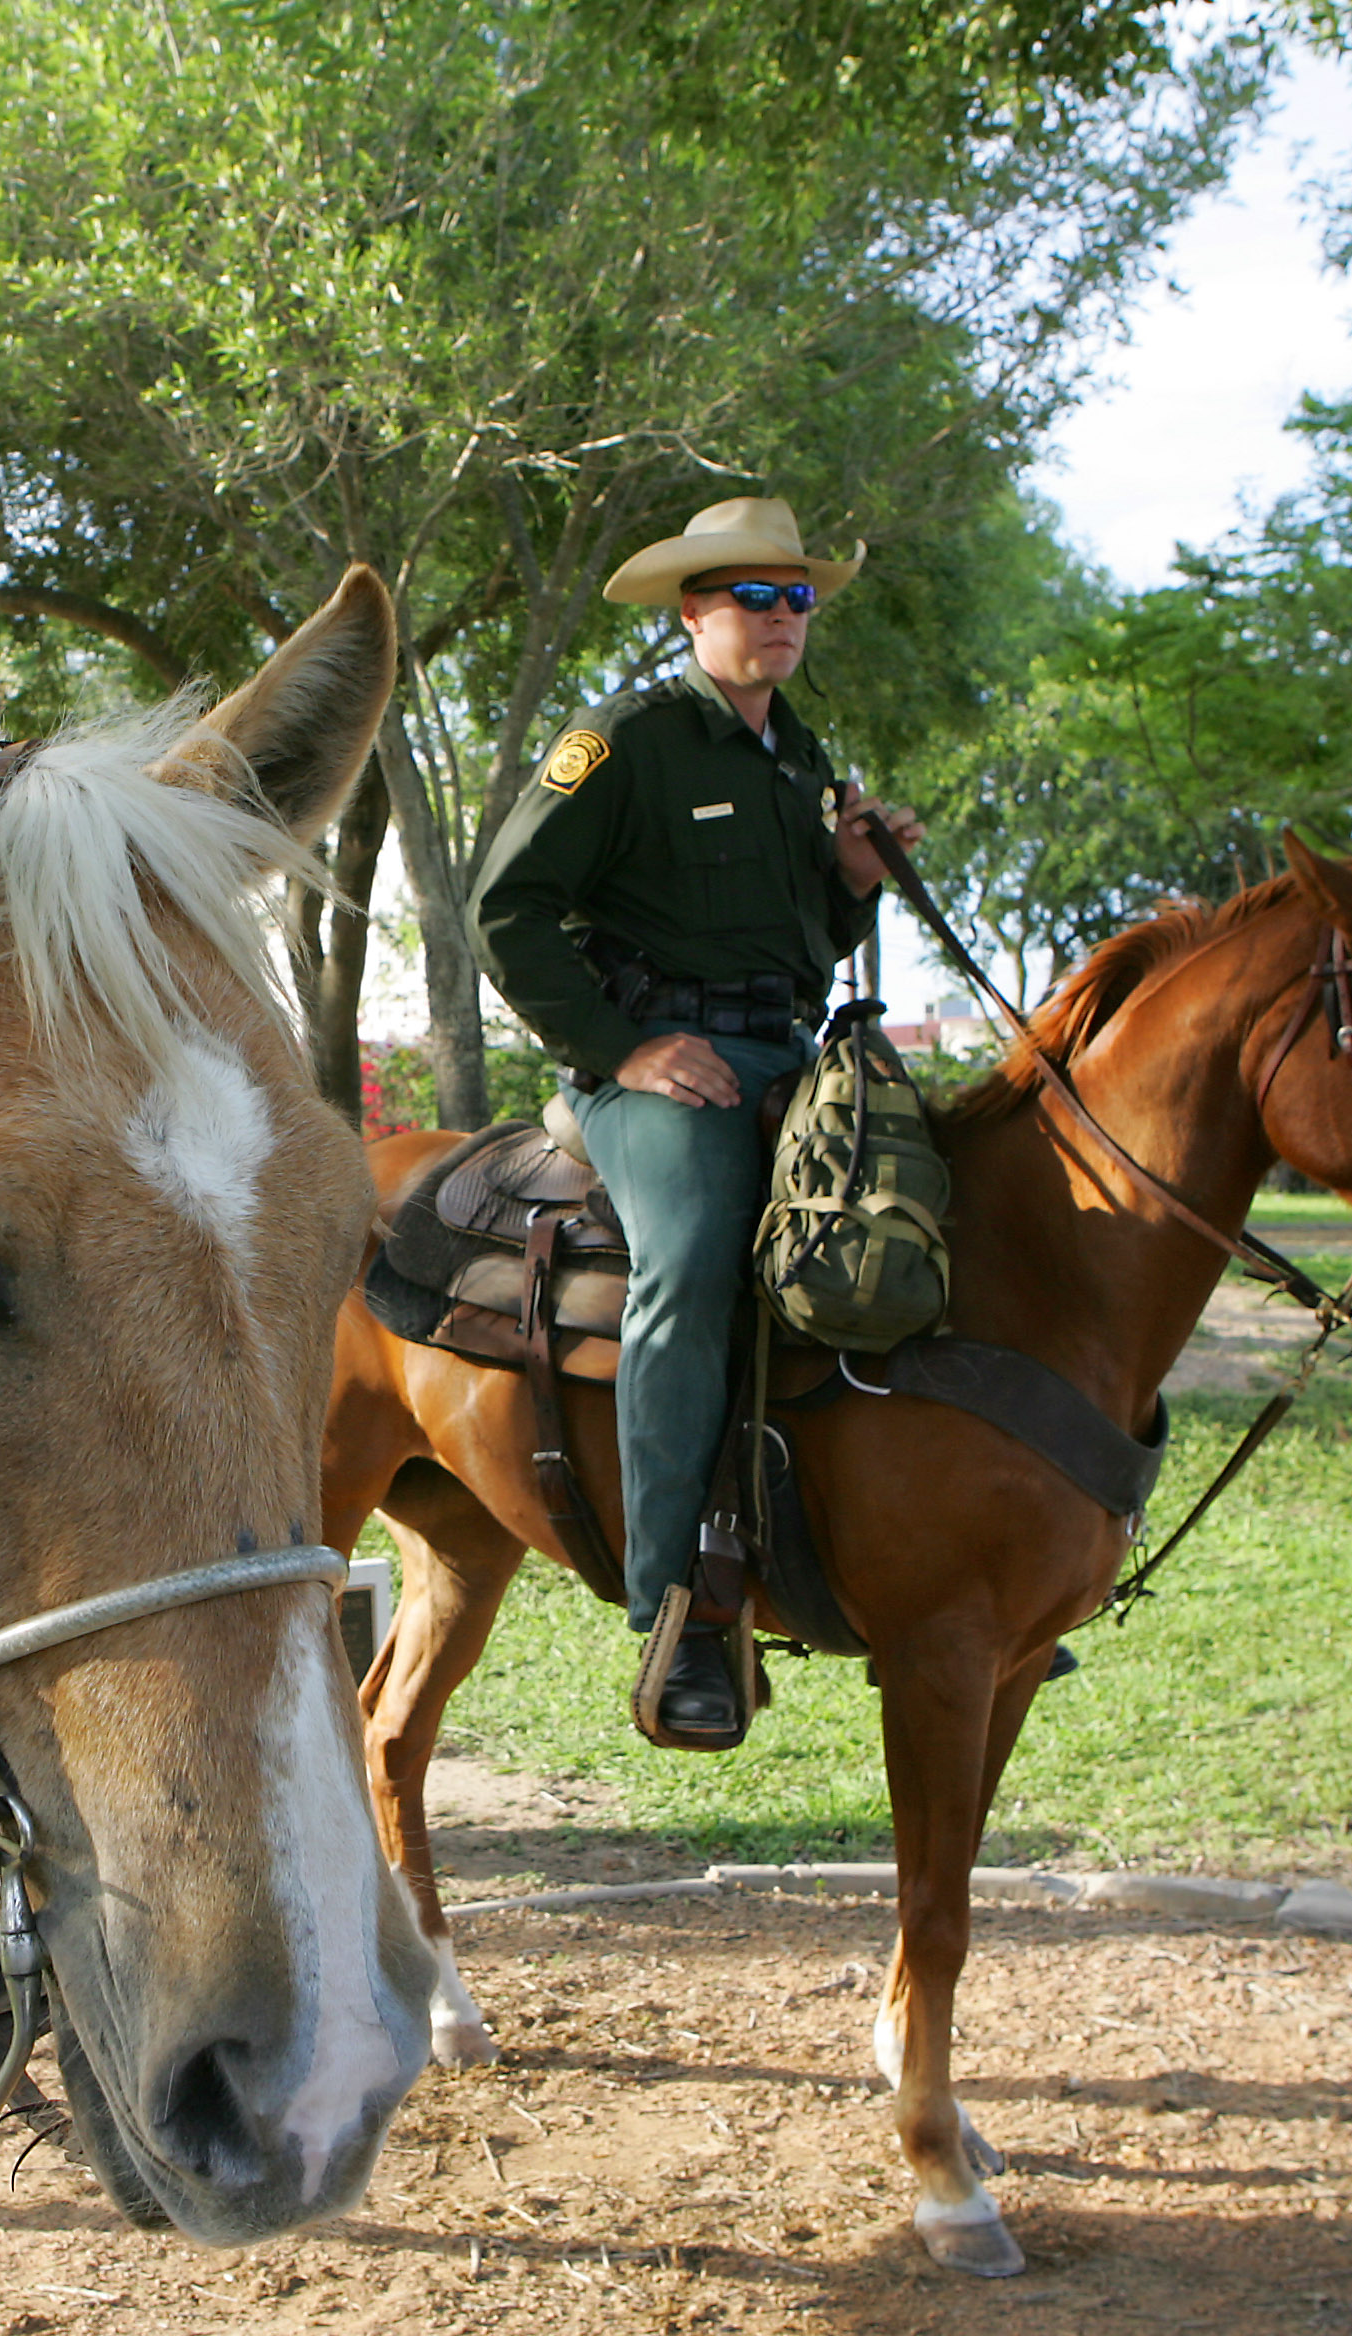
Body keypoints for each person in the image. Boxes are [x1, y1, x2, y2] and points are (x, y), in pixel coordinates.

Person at [468, 496, 924, 1753]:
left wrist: (849, 884)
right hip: (656, 1073)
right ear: (692, 611)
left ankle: (936, 1537)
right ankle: (682, 1596)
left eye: (800, 599)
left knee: (921, 1209)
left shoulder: (797, 756)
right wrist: (625, 1047)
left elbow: (792, 951)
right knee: (695, 1256)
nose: (783, 619)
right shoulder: (625, 742)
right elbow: (503, 909)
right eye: (753, 598)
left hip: (791, 1050)